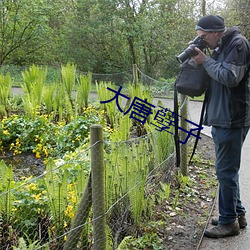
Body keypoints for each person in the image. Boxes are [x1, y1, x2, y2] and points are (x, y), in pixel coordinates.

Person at [192, 15, 250, 238]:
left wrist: (205, 61)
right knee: (227, 171)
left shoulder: (238, 44)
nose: (203, 41)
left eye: (204, 37)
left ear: (216, 32)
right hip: (222, 117)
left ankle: (228, 223)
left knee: (225, 171)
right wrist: (202, 60)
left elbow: (229, 77)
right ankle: (237, 214)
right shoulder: (221, 46)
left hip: (232, 118)